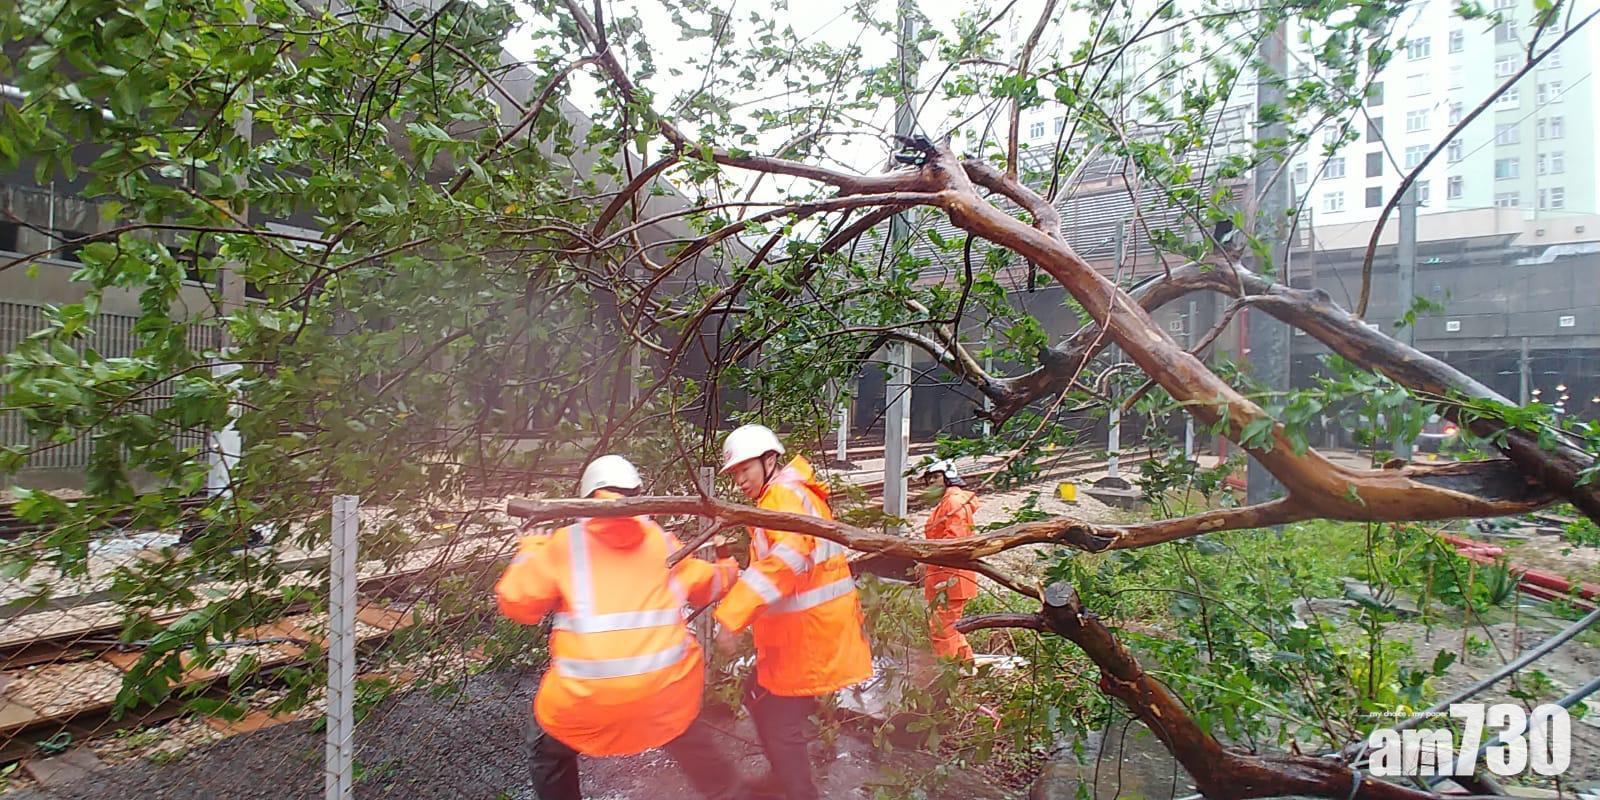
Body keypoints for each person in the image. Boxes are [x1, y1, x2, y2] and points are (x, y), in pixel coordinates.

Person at [495, 454, 742, 800]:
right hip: (662, 696)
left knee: (547, 748)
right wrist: (727, 563)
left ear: (586, 499)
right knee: (679, 720)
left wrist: (532, 546)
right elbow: (713, 585)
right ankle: (727, 791)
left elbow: (517, 604)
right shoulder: (662, 543)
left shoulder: (564, 546)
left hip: (585, 703)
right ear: (640, 496)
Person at [713, 424, 873, 800]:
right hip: (805, 634)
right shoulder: (789, 493)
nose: (739, 480)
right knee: (759, 697)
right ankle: (784, 780)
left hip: (808, 638)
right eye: (734, 473)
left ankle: (798, 791)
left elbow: (784, 563)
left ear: (769, 461)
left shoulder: (781, 497)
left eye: (744, 470)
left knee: (779, 719)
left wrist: (731, 618)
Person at [919, 459, 979, 662]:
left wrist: (925, 554)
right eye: (929, 480)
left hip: (950, 577)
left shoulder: (953, 502)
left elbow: (954, 541)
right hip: (946, 576)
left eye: (935, 477)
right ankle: (966, 665)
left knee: (942, 629)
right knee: (951, 626)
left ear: (948, 478)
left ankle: (946, 674)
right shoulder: (949, 502)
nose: (931, 484)